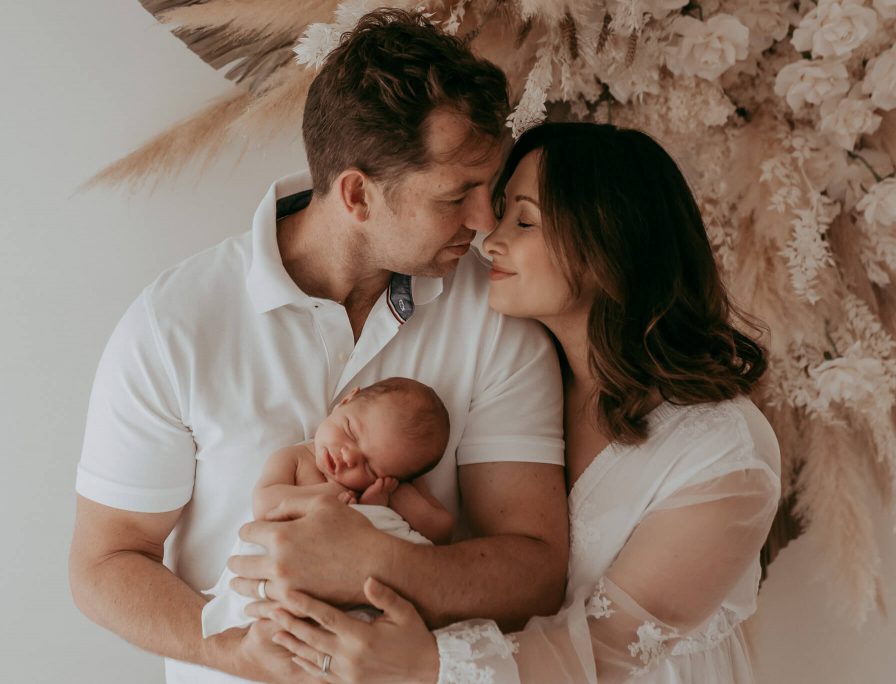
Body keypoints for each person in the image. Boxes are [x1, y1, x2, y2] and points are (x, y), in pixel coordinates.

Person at [68, 10, 569, 684]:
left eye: (492, 188)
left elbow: (537, 568)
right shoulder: (175, 324)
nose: (485, 223)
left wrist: (383, 563)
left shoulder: (497, 312)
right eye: (458, 195)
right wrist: (227, 652)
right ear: (358, 194)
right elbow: (103, 564)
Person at [259, 122, 782, 683]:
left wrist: (426, 664)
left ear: (610, 244)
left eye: (524, 220)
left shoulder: (725, 456)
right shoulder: (525, 387)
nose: (490, 240)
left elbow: (607, 652)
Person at [200, 377, 455, 645]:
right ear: (345, 401)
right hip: (286, 577)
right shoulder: (296, 458)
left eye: (369, 466)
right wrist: (325, 494)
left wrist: (391, 495)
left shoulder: (384, 488)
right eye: (351, 433)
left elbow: (440, 530)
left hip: (352, 598)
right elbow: (265, 503)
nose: (348, 455)